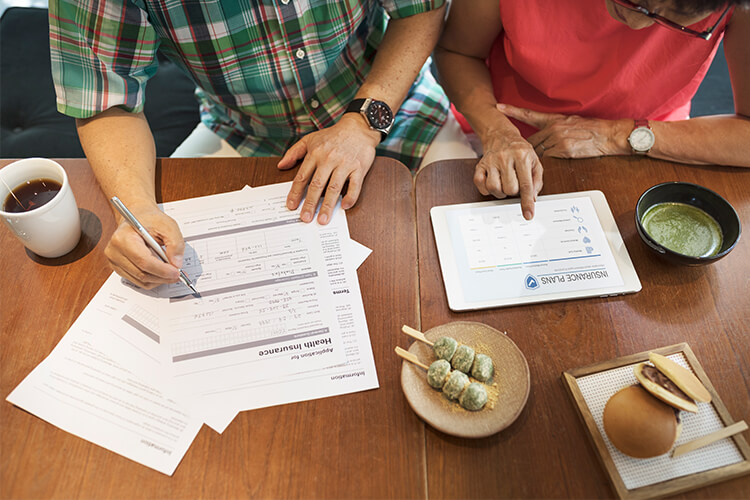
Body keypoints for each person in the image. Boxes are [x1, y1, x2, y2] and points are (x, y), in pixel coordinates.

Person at [49, 0, 449, 289]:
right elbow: (105, 97)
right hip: (245, 133)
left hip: (388, 102)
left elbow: (422, 9)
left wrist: (363, 122)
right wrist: (135, 209)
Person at [434, 0, 750, 220]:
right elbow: (457, 52)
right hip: (496, 127)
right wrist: (497, 131)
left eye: (675, 18)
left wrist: (618, 135)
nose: (638, 23)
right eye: (630, 1)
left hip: (652, 143)